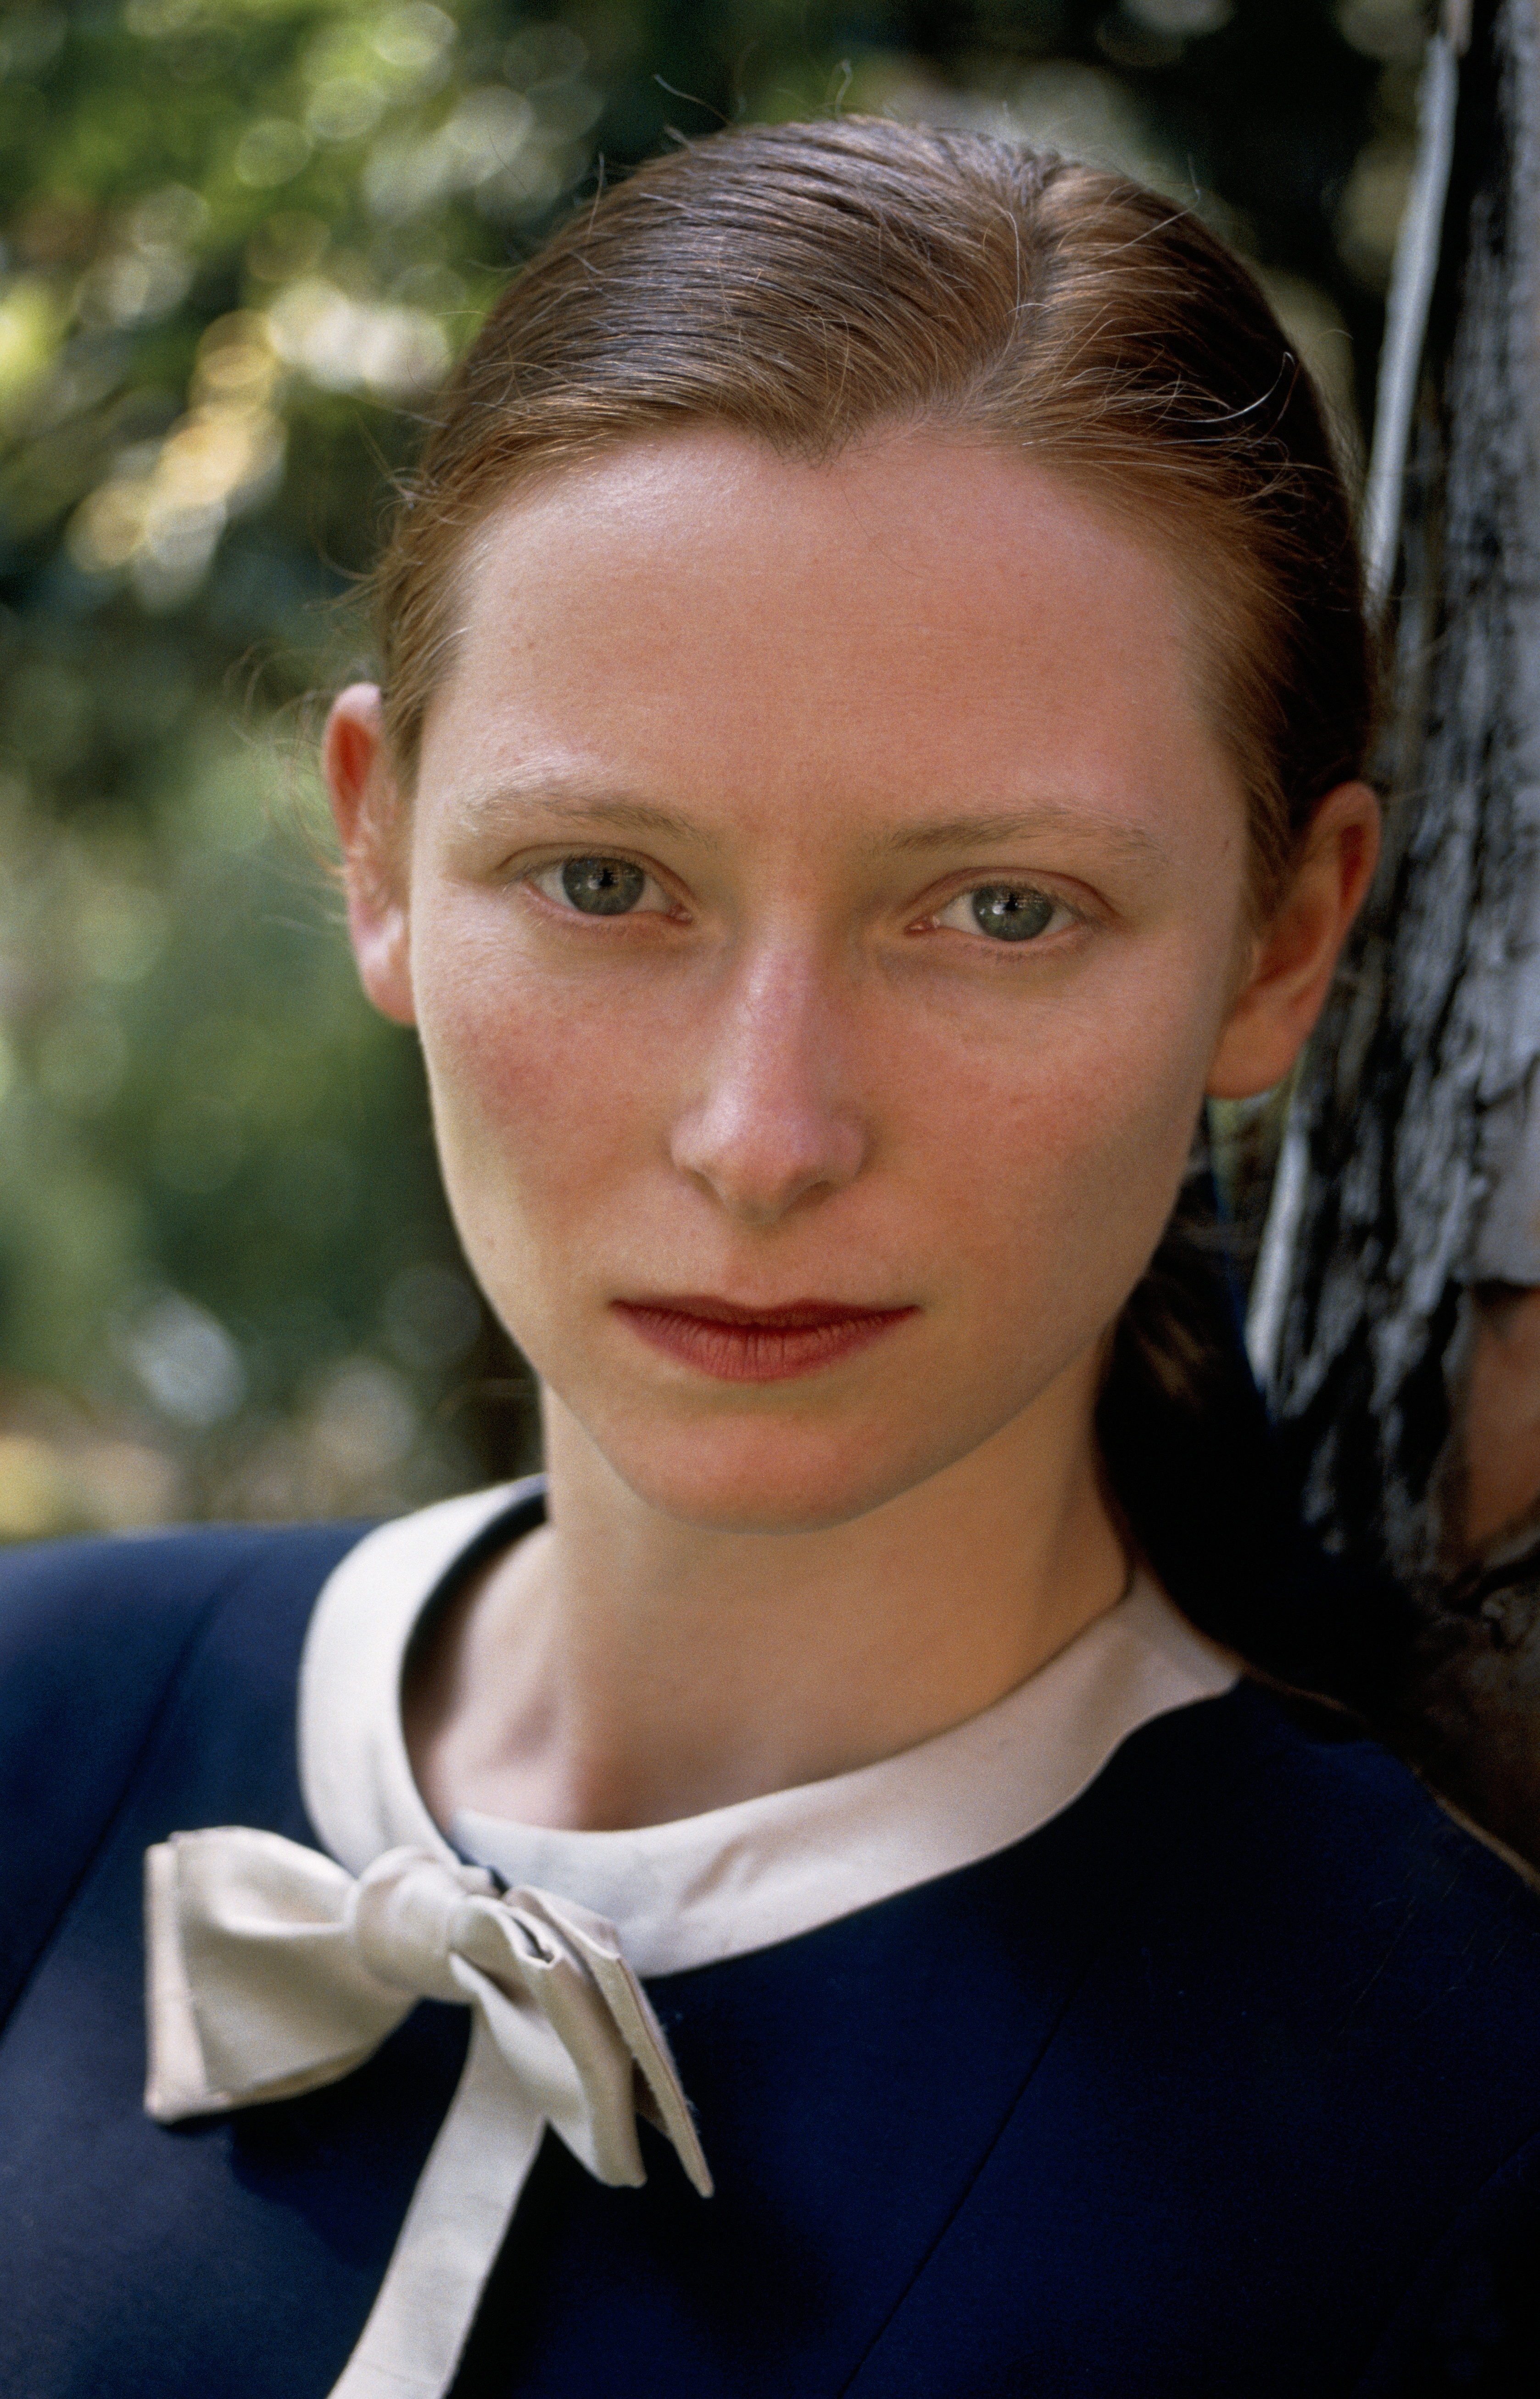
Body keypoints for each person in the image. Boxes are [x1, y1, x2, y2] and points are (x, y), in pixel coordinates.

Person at [1, 117, 1537, 2399]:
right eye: (606, 882)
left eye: (997, 911)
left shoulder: (1455, 2117)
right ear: (378, 850)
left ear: (1283, 935)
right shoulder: (30, 1716)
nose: (763, 1133)